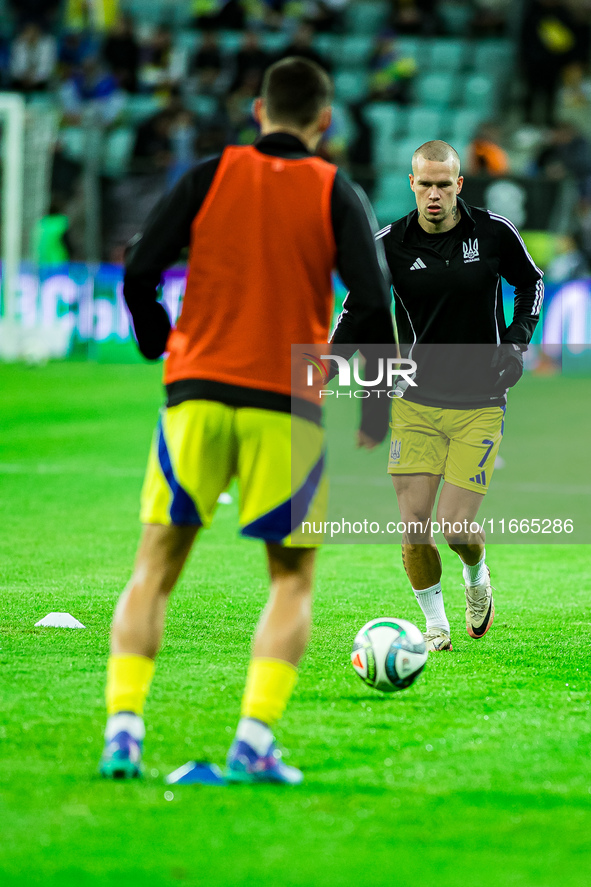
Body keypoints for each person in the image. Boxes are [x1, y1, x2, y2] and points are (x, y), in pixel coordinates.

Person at [99, 57, 394, 783]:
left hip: (194, 395)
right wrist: (369, 399)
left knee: (153, 569)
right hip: (285, 404)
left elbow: (140, 265)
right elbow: (372, 298)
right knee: (290, 580)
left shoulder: (207, 174)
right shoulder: (335, 191)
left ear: (258, 113)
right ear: (323, 123)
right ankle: (253, 741)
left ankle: (123, 735)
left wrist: (155, 335)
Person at [352, 140, 544, 652]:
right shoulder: (389, 243)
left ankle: (476, 573)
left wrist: (517, 340)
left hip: (480, 402)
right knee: (414, 526)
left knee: (455, 527)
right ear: (411, 184)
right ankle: (435, 626)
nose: (434, 194)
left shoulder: (494, 232)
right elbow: (357, 312)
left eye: (444, 184)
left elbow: (531, 285)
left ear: (459, 184)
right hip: (414, 400)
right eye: (425, 184)